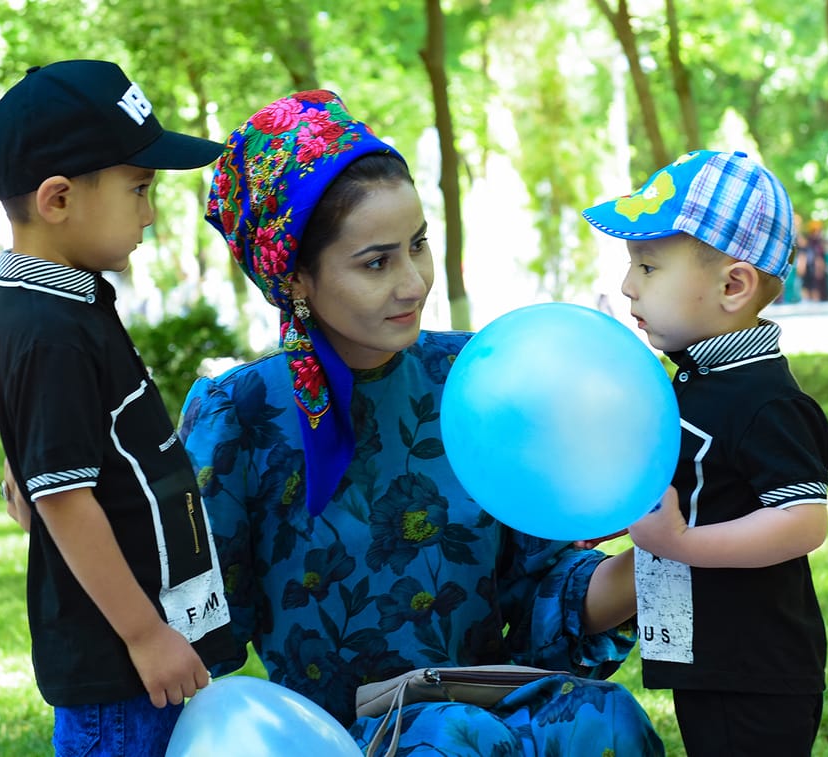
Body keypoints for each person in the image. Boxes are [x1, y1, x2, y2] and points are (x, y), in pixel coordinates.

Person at [178, 90, 664, 755]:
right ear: (296, 279)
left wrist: (659, 560)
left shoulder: (478, 374)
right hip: (336, 739)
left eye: (418, 244)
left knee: (602, 718)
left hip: (494, 712)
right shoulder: (240, 417)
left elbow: (539, 591)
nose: (413, 282)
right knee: (440, 739)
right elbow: (195, 631)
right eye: (376, 262)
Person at [0, 59, 233, 756]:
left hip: (142, 656)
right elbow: (63, 500)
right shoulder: (48, 327)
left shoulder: (65, 294)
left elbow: (54, 435)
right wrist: (146, 634)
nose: (150, 211)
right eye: (140, 189)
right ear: (59, 199)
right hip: (120, 673)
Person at [583, 149, 828, 756]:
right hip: (706, 653)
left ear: (733, 285)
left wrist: (680, 545)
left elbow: (802, 521)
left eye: (647, 267)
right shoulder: (692, 382)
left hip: (756, 666)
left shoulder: (763, 399)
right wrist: (611, 518)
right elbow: (693, 487)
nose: (626, 286)